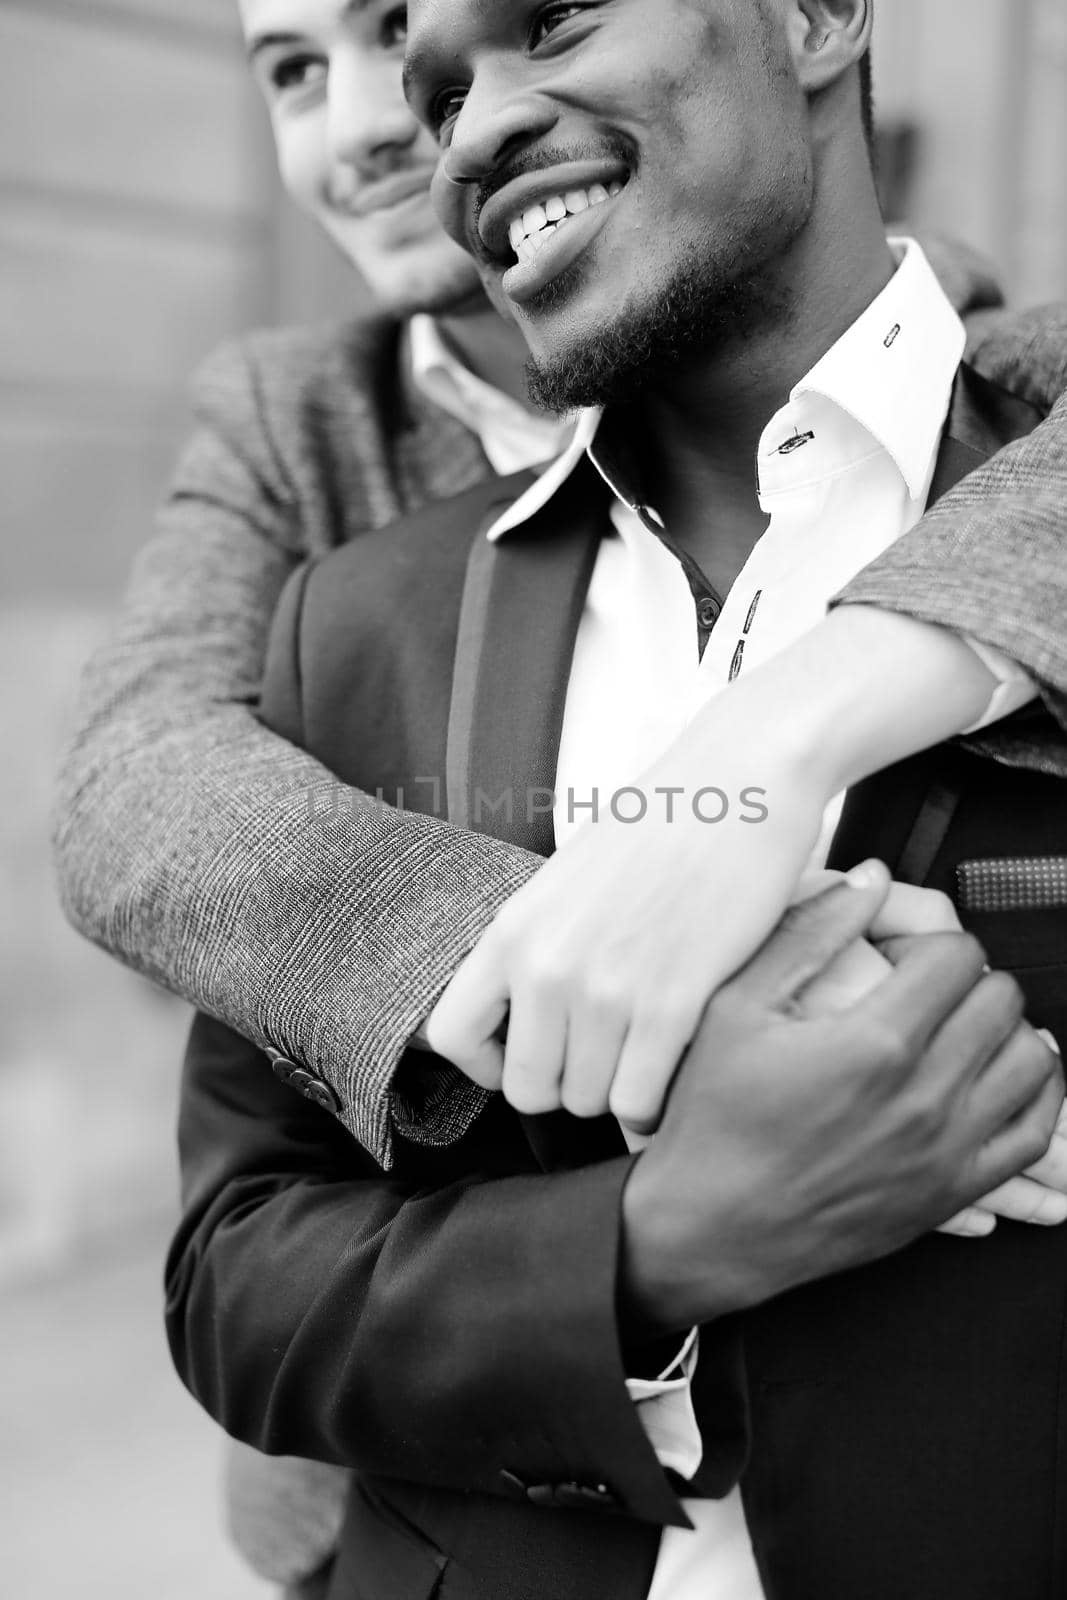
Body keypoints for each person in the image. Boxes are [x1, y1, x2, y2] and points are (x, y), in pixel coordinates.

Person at [165, 2, 1067, 1595]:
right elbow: (234, 1281)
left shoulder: (1029, 475)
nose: (472, 123)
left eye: (558, 16)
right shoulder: (351, 618)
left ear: (812, 18)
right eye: (445, 88)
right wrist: (651, 1243)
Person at [53, 0, 1067, 1168]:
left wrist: (780, 731)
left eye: (388, 32)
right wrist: (590, 964)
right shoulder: (300, 422)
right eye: (288, 72)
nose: (354, 130)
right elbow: (133, 779)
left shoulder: (935, 353)